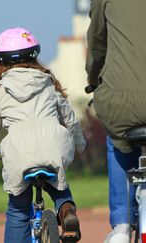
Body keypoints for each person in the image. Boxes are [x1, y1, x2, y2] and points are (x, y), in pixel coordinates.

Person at [0, 27, 86, 242]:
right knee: (60, 190)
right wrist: (79, 143)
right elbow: (70, 119)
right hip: (53, 144)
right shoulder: (48, 82)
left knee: (18, 209)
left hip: (19, 151)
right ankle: (67, 213)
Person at [85, 0, 146, 242]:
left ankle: (121, 224)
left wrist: (92, 79)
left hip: (121, 101)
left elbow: (97, 44)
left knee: (117, 139)